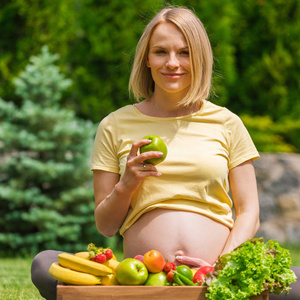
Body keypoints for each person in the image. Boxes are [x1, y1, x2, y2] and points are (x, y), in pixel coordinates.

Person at [31, 6, 299, 299]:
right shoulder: (114, 125)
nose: (173, 63)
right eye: (161, 52)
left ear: (199, 58)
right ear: (146, 58)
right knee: (44, 264)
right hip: (144, 282)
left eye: (184, 52)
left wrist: (222, 267)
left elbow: (250, 212)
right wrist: (126, 185)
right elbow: (106, 226)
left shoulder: (227, 122)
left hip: (217, 281)